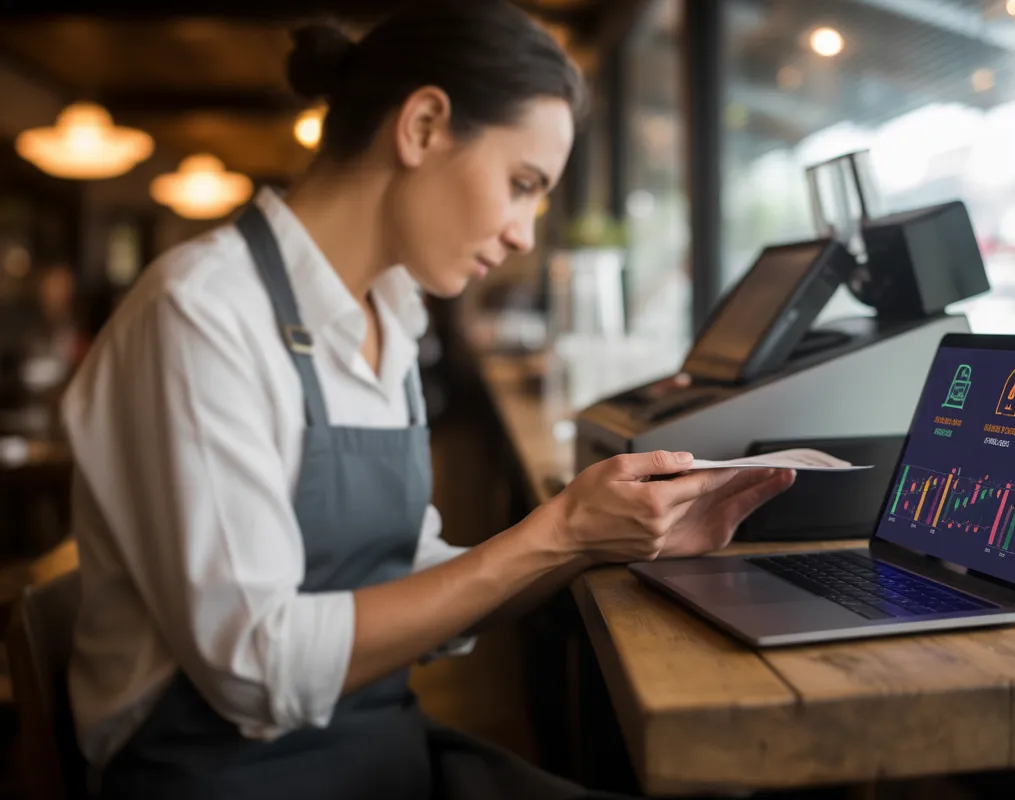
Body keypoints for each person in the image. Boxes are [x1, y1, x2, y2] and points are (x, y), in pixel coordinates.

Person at [58, 2, 796, 799]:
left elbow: (413, 578)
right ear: (422, 127)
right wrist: (554, 533)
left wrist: (598, 539)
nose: (524, 233)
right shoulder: (202, 314)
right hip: (222, 775)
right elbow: (258, 670)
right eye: (521, 184)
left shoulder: (389, 315)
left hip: (374, 748)